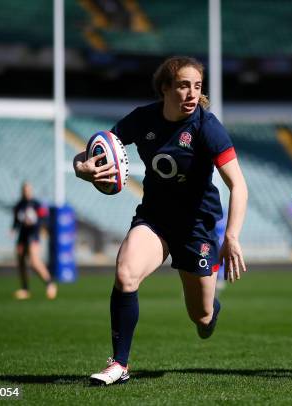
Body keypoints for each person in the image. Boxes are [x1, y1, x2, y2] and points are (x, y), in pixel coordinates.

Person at [73, 56, 248, 386]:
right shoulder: (143, 120)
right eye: (183, 85)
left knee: (201, 315)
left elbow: (238, 184)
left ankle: (211, 311)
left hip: (197, 225)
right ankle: (119, 364)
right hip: (155, 218)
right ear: (165, 88)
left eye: (197, 86)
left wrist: (233, 236)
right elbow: (95, 152)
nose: (191, 93)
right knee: (125, 274)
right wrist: (81, 167)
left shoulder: (206, 127)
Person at [12, 182, 57, 300]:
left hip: (33, 235)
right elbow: (16, 221)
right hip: (22, 236)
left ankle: (50, 284)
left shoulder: (36, 204)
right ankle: (25, 289)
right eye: (25, 190)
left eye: (28, 190)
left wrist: (42, 228)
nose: (27, 192)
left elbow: (44, 218)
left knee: (34, 261)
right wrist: (13, 229)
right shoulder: (18, 205)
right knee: (21, 261)